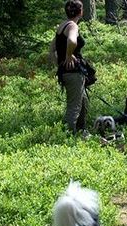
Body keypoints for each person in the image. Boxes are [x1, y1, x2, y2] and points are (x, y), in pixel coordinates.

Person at [51, 0, 88, 135]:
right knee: (74, 105)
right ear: (80, 12)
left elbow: (52, 49)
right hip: (73, 73)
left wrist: (59, 64)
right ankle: (67, 135)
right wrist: (69, 55)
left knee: (82, 101)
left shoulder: (62, 26)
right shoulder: (72, 26)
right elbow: (72, 40)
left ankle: (82, 131)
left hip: (66, 72)